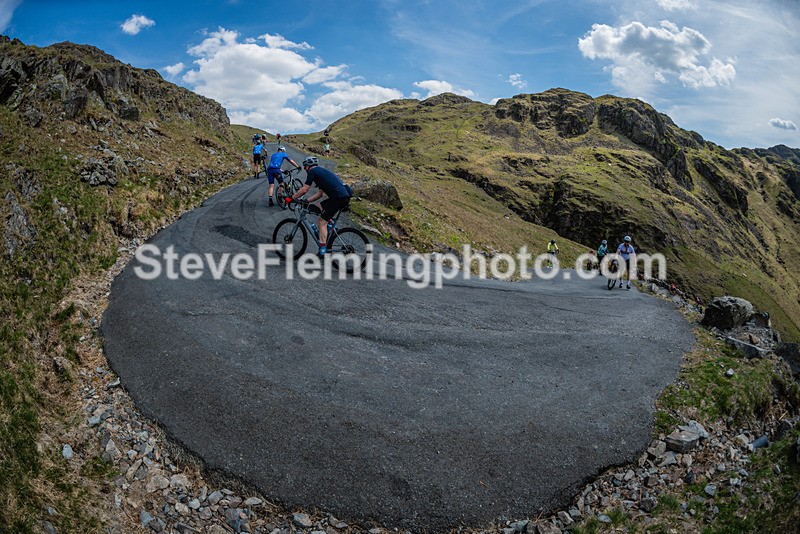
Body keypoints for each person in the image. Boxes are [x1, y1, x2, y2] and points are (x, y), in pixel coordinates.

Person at [288, 156, 352, 256]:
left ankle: (322, 250)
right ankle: (329, 225)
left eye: (305, 167)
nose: (305, 169)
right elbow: (320, 194)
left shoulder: (313, 172)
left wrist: (292, 198)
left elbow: (304, 189)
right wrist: (307, 201)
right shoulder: (321, 172)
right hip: (343, 197)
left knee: (322, 222)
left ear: (308, 166)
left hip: (338, 198)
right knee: (319, 206)